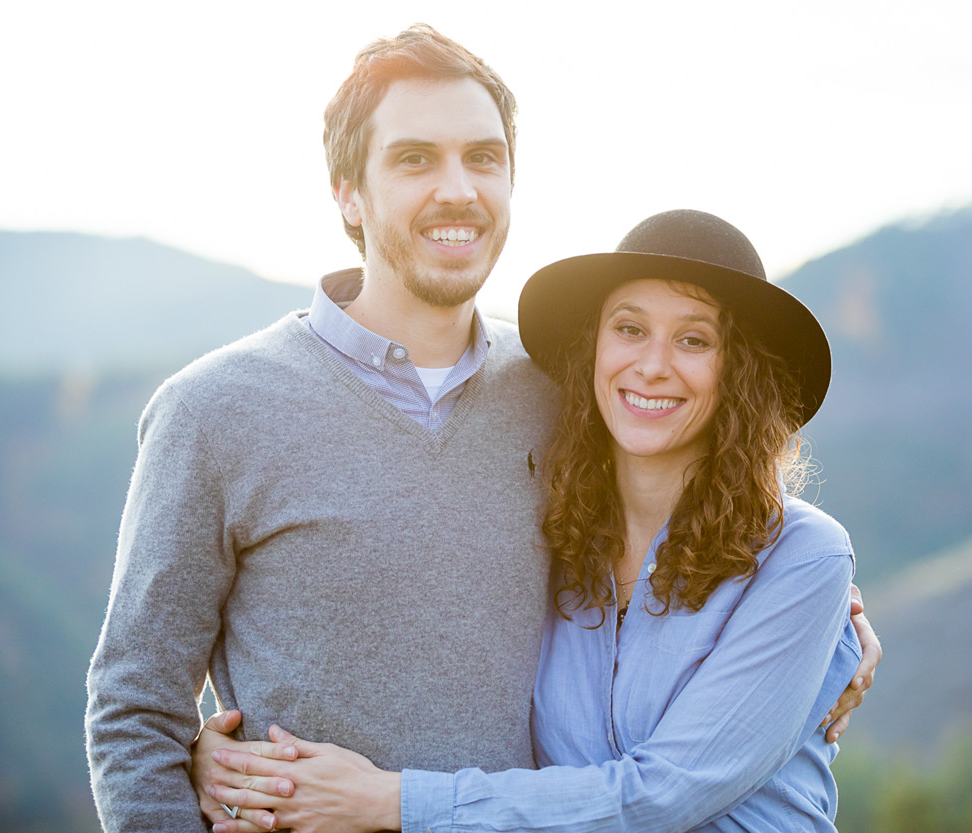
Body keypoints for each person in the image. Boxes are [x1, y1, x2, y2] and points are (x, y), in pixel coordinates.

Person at [84, 23, 880, 833]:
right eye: (414, 158)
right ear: (346, 191)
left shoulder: (553, 399)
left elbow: (722, 529)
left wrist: (838, 631)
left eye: (484, 157)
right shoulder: (214, 410)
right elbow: (133, 707)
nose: (458, 189)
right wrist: (195, 764)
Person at [191, 210, 864, 833]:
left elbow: (660, 796)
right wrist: (226, 759)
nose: (652, 364)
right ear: (594, 351)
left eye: (694, 338)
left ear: (737, 372)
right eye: (629, 328)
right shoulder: (558, 539)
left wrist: (386, 799)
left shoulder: (802, 556)